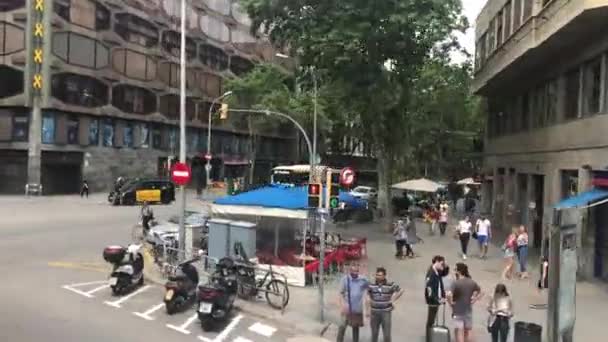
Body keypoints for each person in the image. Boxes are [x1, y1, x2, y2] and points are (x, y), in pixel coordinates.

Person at [366, 267, 403, 342]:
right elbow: (366, 295)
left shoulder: (390, 285)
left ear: (384, 276)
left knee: (387, 335)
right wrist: (367, 309)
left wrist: (393, 300)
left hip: (386, 312)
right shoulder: (371, 285)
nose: (378, 277)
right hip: (374, 313)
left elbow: (401, 290)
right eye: (377, 275)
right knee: (374, 334)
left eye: (380, 275)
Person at [447, 263, 482, 342]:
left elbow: (449, 294)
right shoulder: (471, 282)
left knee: (459, 330)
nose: (454, 271)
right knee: (466, 331)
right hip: (468, 310)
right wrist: (474, 299)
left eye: (455, 270)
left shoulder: (456, 283)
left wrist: (451, 303)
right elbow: (480, 291)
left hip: (457, 311)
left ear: (459, 272)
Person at [337, 263, 369, 342]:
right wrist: (342, 305)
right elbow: (340, 293)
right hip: (347, 308)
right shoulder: (345, 279)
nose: (355, 273)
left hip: (357, 308)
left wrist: (368, 307)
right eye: (353, 271)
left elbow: (370, 288)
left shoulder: (363, 280)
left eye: (357, 271)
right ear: (350, 271)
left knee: (355, 328)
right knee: (342, 326)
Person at [425, 255, 447, 342]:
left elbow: (445, 273)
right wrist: (437, 299)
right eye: (441, 263)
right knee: (431, 320)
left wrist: (443, 295)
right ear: (437, 262)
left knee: (432, 319)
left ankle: (430, 336)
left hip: (436, 298)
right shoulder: (431, 273)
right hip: (432, 300)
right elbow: (429, 289)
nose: (443, 265)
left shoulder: (436, 271)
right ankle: (429, 338)